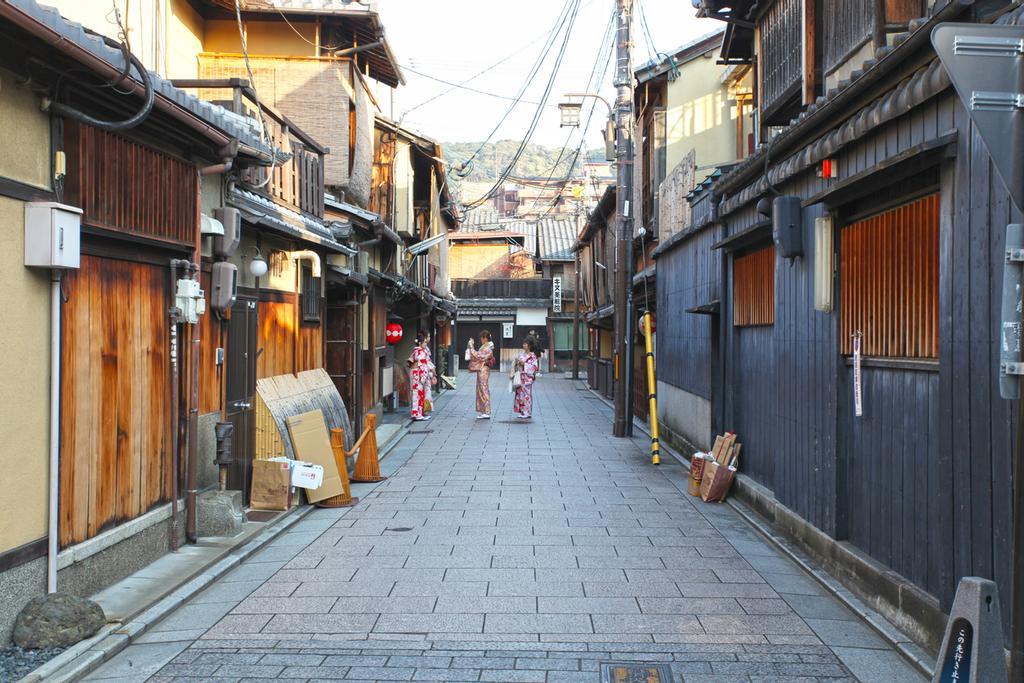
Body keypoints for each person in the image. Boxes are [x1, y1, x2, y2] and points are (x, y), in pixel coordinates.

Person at [466, 330, 495, 419]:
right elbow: (477, 355)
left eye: (482, 338)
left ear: (485, 338)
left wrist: (471, 346)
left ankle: (486, 411)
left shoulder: (488, 348)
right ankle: (483, 411)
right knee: (481, 389)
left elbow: (478, 356)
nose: (481, 340)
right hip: (482, 369)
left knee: (483, 389)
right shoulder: (485, 347)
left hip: (484, 370)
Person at [513, 336, 539, 419]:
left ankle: (527, 412)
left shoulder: (533, 356)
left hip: (527, 377)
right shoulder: (521, 355)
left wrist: (524, 364)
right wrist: (517, 363)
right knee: (520, 394)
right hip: (521, 377)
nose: (523, 345)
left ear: (530, 345)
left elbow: (534, 367)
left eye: (525, 344)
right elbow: (517, 365)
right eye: (523, 344)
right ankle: (521, 411)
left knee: (526, 394)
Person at [408, 332, 432, 421]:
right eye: (424, 342)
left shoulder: (416, 351)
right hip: (418, 375)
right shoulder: (420, 351)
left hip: (415, 374)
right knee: (418, 394)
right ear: (420, 343)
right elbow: (422, 365)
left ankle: (417, 413)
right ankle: (417, 414)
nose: (426, 344)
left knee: (416, 394)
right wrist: (424, 377)